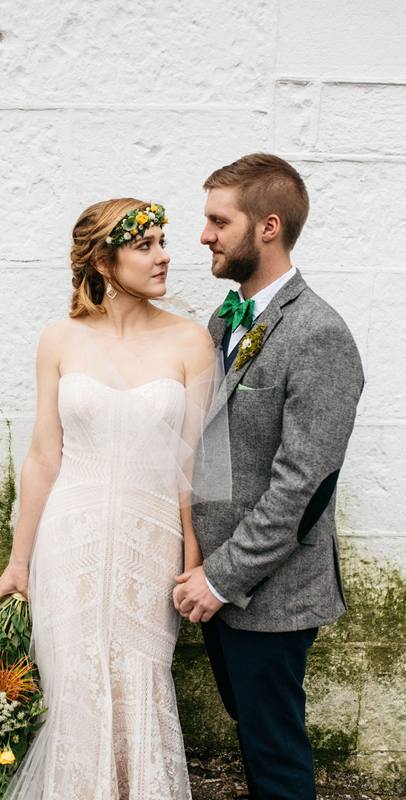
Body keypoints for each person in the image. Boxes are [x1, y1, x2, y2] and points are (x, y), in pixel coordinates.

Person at [0, 198, 224, 800]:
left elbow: (195, 468)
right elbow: (44, 456)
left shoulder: (191, 342)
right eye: (144, 245)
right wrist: (19, 563)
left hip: (151, 545)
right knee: (75, 685)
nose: (165, 255)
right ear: (103, 258)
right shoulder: (59, 340)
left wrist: (194, 560)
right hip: (70, 535)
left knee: (140, 677)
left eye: (162, 241)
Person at [173, 154, 364, 800]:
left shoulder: (319, 335)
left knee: (277, 757)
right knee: (254, 741)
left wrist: (221, 580)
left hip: (269, 595)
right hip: (217, 589)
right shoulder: (226, 320)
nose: (204, 235)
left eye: (218, 221)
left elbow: (302, 488)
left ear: (269, 227)